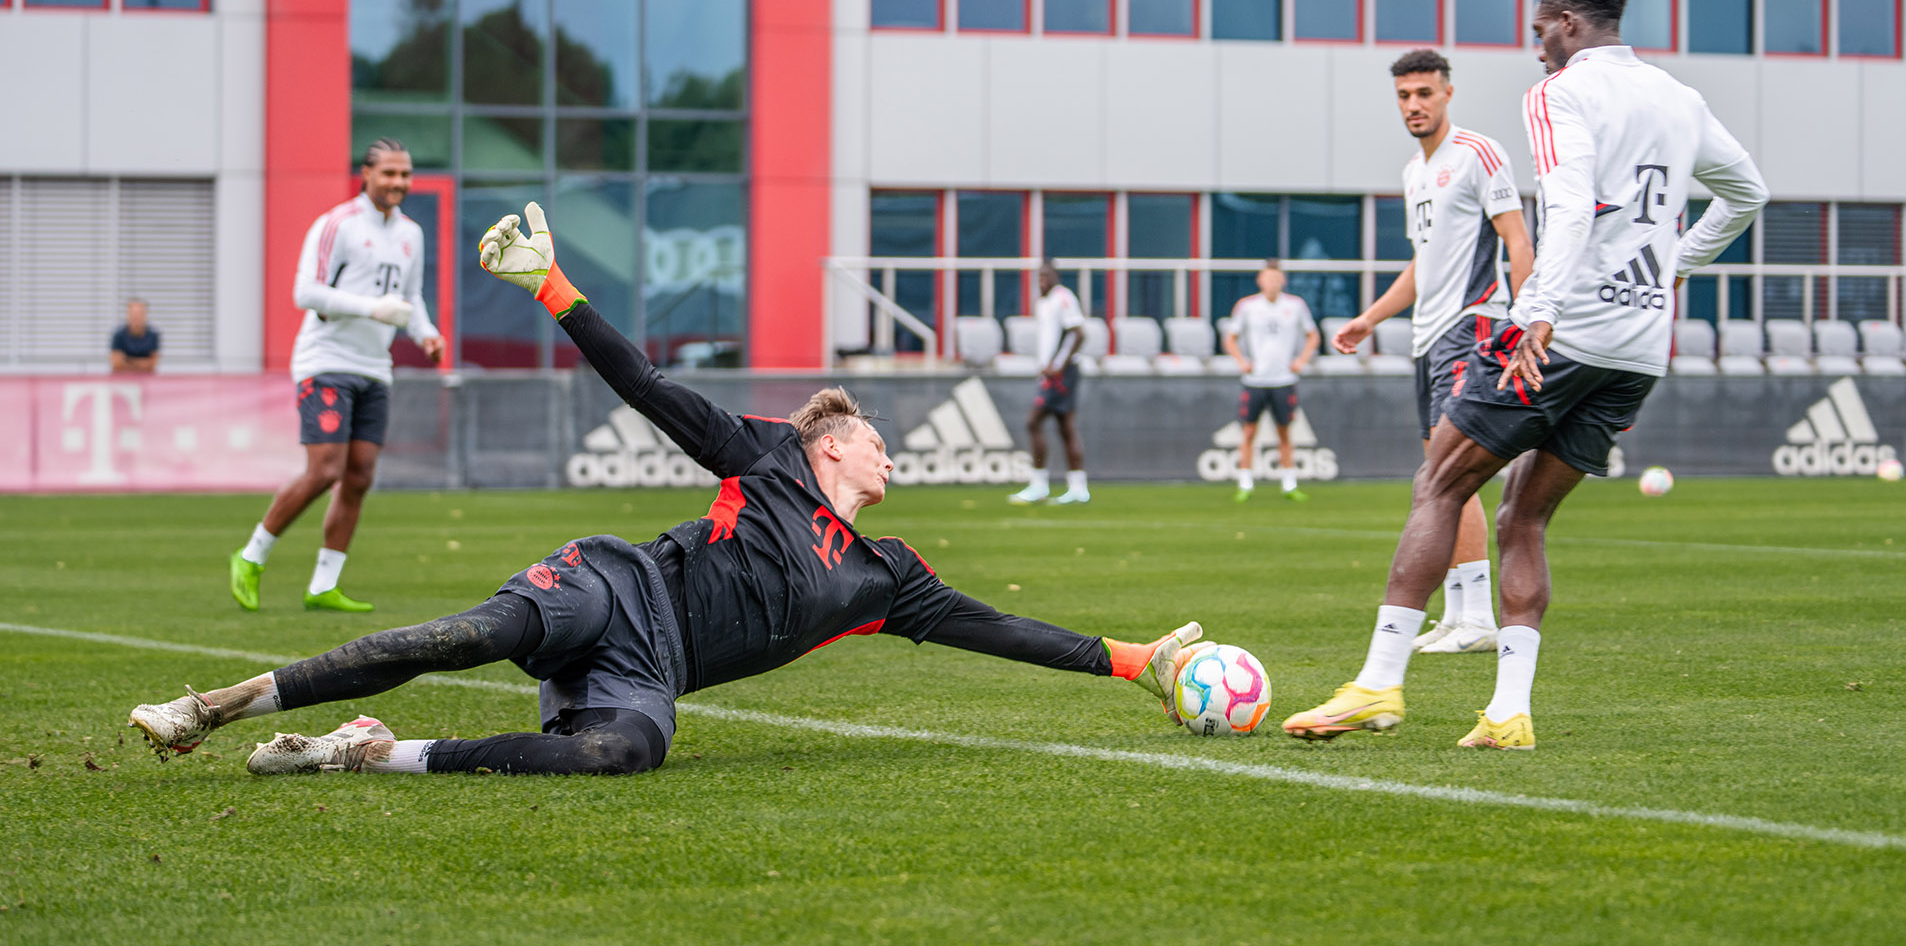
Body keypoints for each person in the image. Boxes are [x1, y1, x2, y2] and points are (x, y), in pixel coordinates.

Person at [128, 203, 1206, 776]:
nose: (891, 457)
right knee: (461, 637)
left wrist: (1134, 662)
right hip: (615, 586)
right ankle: (213, 707)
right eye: (877, 441)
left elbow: (1002, 629)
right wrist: (550, 282)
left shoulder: (890, 580)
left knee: (625, 753)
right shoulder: (769, 452)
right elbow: (642, 383)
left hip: (655, 668)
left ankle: (371, 753)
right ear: (830, 449)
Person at [1283, 0, 1767, 750]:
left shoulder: (1560, 91)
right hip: (1640, 347)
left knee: (1439, 481)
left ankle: (1377, 685)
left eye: (1542, 27)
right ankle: (1508, 712)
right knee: (1524, 514)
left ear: (1568, 23)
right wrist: (1672, 267)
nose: (1537, 41)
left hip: (1564, 328)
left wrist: (1536, 312)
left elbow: (1570, 203)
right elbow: (1749, 191)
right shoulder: (1680, 99)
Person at [1331, 49, 1536, 653]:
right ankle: (1460, 611)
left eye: (1424, 92)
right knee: (1438, 477)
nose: (1414, 105)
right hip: (1427, 337)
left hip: (1470, 328)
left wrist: (1527, 325)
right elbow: (1425, 265)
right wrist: (1370, 318)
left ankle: (1477, 618)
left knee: (1447, 473)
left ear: (1448, 92)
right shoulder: (1414, 173)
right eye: (1404, 96)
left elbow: (1517, 241)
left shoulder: (1477, 153)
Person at [226, 138, 444, 614]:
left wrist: (426, 333)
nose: (398, 183)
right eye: (388, 173)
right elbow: (305, 292)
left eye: (405, 174)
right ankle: (251, 555)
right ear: (365, 174)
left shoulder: (411, 234)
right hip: (325, 362)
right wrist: (373, 308)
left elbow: (413, 296)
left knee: (359, 476)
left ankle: (324, 584)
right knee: (325, 470)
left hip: (374, 368)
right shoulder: (337, 225)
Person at [1222, 260, 1318, 502]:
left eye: (1276, 279)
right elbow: (1230, 338)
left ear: (1283, 281)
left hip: (1284, 380)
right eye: (1268, 279)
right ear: (1260, 281)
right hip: (1254, 380)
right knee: (1248, 431)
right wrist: (1242, 362)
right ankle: (1245, 483)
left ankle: (1289, 484)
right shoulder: (1247, 306)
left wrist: (1301, 360)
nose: (1272, 283)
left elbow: (1312, 335)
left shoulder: (1295, 305)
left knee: (1284, 432)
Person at [1008, 260, 1091, 505]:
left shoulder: (1063, 298)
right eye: (1039, 278)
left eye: (1046, 277)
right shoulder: (1043, 302)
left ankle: (1039, 484)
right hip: (1052, 373)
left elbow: (1078, 332)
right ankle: (1077, 487)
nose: (1042, 282)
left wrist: (1058, 365)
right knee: (1066, 427)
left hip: (1061, 374)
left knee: (1033, 421)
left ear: (1056, 277)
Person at [109, 299, 161, 373]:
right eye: (133, 313)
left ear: (145, 314)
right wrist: (142, 363)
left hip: (147, 379)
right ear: (128, 314)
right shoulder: (118, 335)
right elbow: (116, 364)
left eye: (139, 313)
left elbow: (152, 364)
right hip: (122, 378)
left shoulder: (153, 336)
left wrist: (127, 361)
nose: (136, 317)